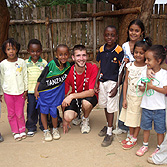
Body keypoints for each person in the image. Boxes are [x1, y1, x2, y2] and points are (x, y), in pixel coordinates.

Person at [113, 19, 145, 135]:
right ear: (128, 31)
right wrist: (123, 61)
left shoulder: (144, 45)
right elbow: (122, 62)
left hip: (141, 76)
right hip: (128, 75)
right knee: (124, 99)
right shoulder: (125, 45)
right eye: (131, 30)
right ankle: (123, 126)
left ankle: (133, 127)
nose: (133, 33)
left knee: (137, 103)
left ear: (141, 32)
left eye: (137, 31)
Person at [119, 38, 152, 150]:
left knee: (136, 118)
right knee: (129, 117)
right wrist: (124, 99)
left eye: (141, 53)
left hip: (139, 99)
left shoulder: (147, 68)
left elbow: (149, 84)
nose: (138, 55)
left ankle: (134, 138)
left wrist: (145, 87)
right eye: (136, 52)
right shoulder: (129, 66)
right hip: (129, 97)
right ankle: (130, 136)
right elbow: (126, 83)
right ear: (133, 52)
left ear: (146, 54)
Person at [136, 45, 167, 157]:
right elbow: (140, 87)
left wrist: (152, 86)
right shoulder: (145, 72)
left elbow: (165, 90)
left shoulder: (164, 74)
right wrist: (145, 86)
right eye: (146, 59)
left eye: (149, 59)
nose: (146, 62)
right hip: (147, 106)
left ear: (158, 61)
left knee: (160, 130)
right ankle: (145, 145)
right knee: (146, 127)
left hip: (160, 108)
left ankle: (159, 147)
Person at [35, 44, 71, 142]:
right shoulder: (51, 64)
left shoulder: (68, 66)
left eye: (65, 54)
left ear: (69, 55)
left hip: (55, 94)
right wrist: (36, 90)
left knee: (54, 112)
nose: (63, 57)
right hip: (44, 93)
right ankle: (46, 131)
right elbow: (41, 77)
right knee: (43, 112)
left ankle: (55, 129)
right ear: (56, 55)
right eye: (60, 55)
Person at [96, 25, 124, 147]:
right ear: (104, 36)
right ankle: (109, 125)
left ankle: (109, 132)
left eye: (112, 35)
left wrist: (117, 86)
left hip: (113, 82)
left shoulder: (119, 51)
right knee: (105, 105)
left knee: (111, 107)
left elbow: (121, 70)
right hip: (102, 82)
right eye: (107, 35)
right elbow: (100, 66)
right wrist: (97, 81)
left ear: (116, 36)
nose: (109, 37)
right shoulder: (101, 49)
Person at [62, 44, 98, 134]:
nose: (81, 58)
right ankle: (77, 114)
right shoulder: (69, 71)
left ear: (87, 56)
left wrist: (72, 96)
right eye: (78, 55)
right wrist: (64, 119)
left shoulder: (93, 68)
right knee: (68, 116)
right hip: (76, 97)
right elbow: (64, 96)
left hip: (89, 97)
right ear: (73, 58)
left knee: (86, 104)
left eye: (84, 55)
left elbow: (91, 92)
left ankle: (85, 119)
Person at [0, 38, 28, 141]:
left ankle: (21, 129)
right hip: (8, 93)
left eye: (13, 49)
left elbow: (25, 76)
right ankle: (15, 131)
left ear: (17, 50)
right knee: (11, 114)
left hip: (20, 92)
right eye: (8, 49)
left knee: (19, 113)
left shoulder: (22, 62)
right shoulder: (3, 64)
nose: (11, 51)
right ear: (5, 51)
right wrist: (0, 92)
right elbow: (1, 79)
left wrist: (25, 89)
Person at [25, 39, 47, 137]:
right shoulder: (25, 63)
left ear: (41, 51)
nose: (35, 53)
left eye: (38, 51)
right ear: (28, 51)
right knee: (31, 110)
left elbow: (46, 78)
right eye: (32, 51)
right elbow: (24, 77)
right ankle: (31, 127)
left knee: (42, 109)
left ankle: (43, 125)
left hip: (41, 92)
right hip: (30, 92)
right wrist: (25, 90)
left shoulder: (44, 63)